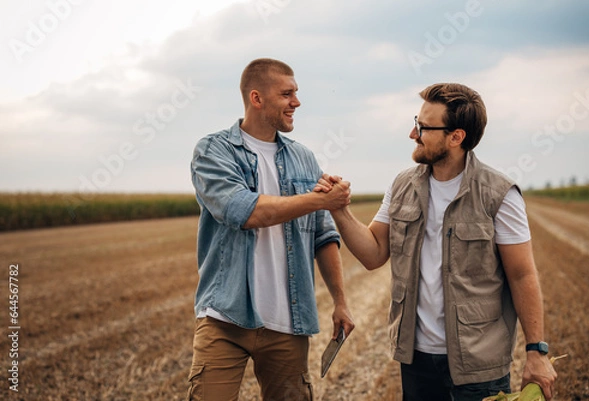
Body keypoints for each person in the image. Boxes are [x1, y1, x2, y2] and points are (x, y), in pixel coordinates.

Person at [316, 83, 557, 400]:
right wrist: (340, 210)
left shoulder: (499, 194)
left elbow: (522, 274)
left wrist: (536, 351)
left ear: (456, 137)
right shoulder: (402, 185)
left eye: (423, 127)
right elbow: (374, 253)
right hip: (416, 360)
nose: (412, 134)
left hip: (478, 365)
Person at [187, 58, 355, 401]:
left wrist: (341, 301)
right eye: (287, 94)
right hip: (224, 318)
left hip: (288, 323)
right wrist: (319, 200)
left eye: (296, 93)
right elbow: (243, 210)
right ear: (256, 98)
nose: (297, 102)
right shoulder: (213, 150)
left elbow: (323, 236)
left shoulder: (304, 158)